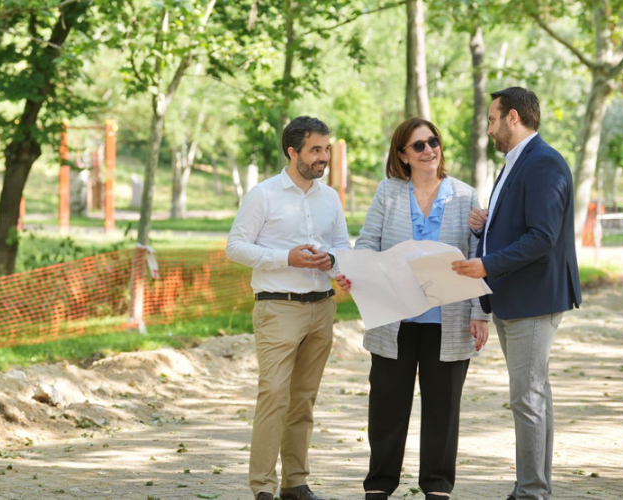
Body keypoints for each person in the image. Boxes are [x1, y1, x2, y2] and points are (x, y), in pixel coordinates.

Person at [336, 117, 490, 500]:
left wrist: (479, 313)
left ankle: (437, 488)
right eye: (418, 145)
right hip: (395, 318)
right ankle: (379, 486)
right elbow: (368, 242)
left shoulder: (465, 196)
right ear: (402, 155)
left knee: (443, 409)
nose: (428, 151)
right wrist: (354, 272)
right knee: (387, 406)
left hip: (448, 320)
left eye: (433, 142)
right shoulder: (388, 193)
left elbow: (478, 256)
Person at [452, 87, 582, 500]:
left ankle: (530, 493)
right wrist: (484, 227)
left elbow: (542, 236)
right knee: (535, 397)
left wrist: (487, 264)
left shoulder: (543, 163)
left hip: (533, 298)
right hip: (514, 297)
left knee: (527, 399)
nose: (488, 129)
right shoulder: (515, 163)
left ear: (512, 118)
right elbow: (522, 226)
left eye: (492, 119)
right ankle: (534, 488)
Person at [226, 116, 350, 500]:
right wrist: (287, 259)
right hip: (278, 309)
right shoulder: (263, 194)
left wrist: (334, 262)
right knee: (274, 396)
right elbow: (235, 247)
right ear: (292, 151)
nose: (323, 157)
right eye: (315, 149)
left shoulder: (329, 197)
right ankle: (262, 487)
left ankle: (295, 483)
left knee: (303, 400)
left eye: (326, 149)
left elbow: (343, 247)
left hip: (321, 309)